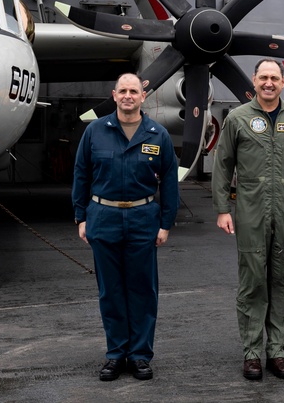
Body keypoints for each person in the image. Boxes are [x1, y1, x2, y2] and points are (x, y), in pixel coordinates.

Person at [211, 59, 284, 381]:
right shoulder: (237, 118)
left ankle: (278, 351)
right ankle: (252, 353)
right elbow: (223, 164)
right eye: (263, 77)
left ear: (283, 83)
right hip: (250, 206)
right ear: (254, 81)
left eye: (275, 77)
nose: (269, 83)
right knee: (252, 279)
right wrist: (222, 209)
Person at [72, 73, 179, 382]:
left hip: (143, 219)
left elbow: (170, 181)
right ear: (114, 94)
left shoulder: (157, 135)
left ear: (142, 97)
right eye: (123, 91)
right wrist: (81, 216)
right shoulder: (95, 131)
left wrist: (166, 223)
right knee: (111, 291)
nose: (129, 95)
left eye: (134, 91)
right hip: (103, 218)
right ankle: (116, 354)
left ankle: (141, 355)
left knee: (143, 291)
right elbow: (81, 174)